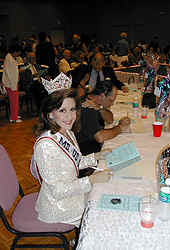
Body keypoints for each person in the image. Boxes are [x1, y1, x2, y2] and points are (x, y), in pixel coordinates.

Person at [30, 83, 112, 228]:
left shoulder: (67, 131)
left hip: (73, 192)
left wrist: (97, 156)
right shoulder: (46, 145)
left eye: (72, 109)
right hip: (58, 206)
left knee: (107, 196)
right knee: (102, 212)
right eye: (62, 110)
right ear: (50, 114)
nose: (69, 116)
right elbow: (57, 191)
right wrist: (91, 180)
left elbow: (75, 161)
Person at [75, 79, 131, 156]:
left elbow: (110, 120)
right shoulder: (87, 106)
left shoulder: (92, 100)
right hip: (86, 152)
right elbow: (100, 137)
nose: (112, 104)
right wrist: (120, 128)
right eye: (111, 100)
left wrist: (100, 108)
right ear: (102, 96)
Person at [2, 43, 23, 123]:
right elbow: (10, 73)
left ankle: (14, 115)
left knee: (14, 100)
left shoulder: (10, 57)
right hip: (11, 84)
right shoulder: (9, 59)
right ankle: (13, 118)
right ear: (15, 51)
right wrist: (13, 85)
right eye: (18, 52)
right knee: (14, 101)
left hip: (12, 83)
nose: (19, 54)